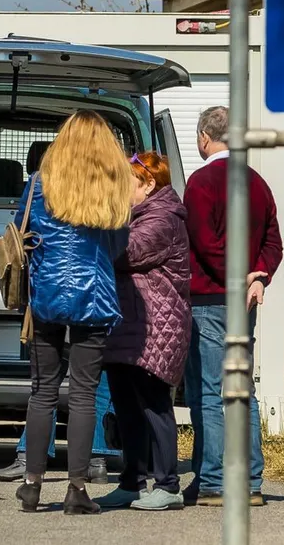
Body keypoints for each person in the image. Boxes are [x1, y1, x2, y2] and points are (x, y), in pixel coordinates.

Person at [14, 110, 133, 516]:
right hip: (94, 296)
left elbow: (21, 231)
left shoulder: (38, 185)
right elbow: (118, 244)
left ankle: (31, 484)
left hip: (45, 295)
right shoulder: (112, 188)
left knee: (42, 389)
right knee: (83, 393)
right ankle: (76, 488)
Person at [183, 105, 282, 508]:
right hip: (245, 302)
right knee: (244, 390)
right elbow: (273, 241)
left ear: (205, 137)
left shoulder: (200, 182)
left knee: (208, 392)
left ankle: (212, 482)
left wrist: (239, 276)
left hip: (208, 299)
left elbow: (206, 245)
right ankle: (252, 482)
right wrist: (259, 275)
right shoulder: (258, 183)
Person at [98, 152, 191, 511]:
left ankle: (168, 483)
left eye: (128, 183)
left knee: (153, 404)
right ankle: (132, 480)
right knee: (125, 405)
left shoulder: (163, 217)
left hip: (156, 327)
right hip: (129, 325)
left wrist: (99, 225)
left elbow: (127, 252)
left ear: (149, 184)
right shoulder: (137, 215)